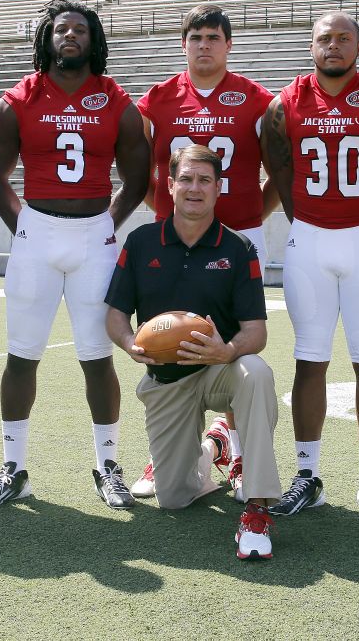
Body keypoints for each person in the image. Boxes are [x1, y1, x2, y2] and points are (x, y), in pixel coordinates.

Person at [0, 0, 150, 510]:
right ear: (46, 39)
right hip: (37, 237)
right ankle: (13, 466)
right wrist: (25, 225)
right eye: (61, 29)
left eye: (79, 29)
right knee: (20, 354)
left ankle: (108, 465)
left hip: (93, 236)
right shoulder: (19, 98)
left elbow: (138, 178)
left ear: (93, 40)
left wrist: (104, 225)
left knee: (97, 357)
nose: (69, 35)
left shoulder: (115, 99)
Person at [261, 12, 359, 518]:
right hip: (309, 242)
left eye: (343, 38)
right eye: (324, 38)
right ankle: (307, 474)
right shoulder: (285, 104)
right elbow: (279, 168)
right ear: (311, 47)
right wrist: (303, 219)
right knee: (310, 361)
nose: (333, 46)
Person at [104, 144, 282, 560]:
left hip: (220, 371)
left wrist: (228, 350)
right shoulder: (143, 240)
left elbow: (257, 331)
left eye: (205, 180)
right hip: (167, 380)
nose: (194, 188)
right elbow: (114, 314)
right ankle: (214, 446)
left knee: (255, 370)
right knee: (173, 498)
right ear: (170, 186)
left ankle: (257, 507)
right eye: (186, 179)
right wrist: (130, 343)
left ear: (219, 189)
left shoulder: (239, 248)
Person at [130, 4, 276, 501]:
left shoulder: (255, 98)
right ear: (183, 43)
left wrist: (254, 212)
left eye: (214, 37)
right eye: (195, 36)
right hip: (177, 238)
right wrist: (165, 211)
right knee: (169, 335)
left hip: (236, 234)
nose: (204, 45)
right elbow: (139, 165)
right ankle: (171, 450)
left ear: (229, 44)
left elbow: (280, 168)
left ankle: (234, 445)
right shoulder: (159, 98)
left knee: (232, 346)